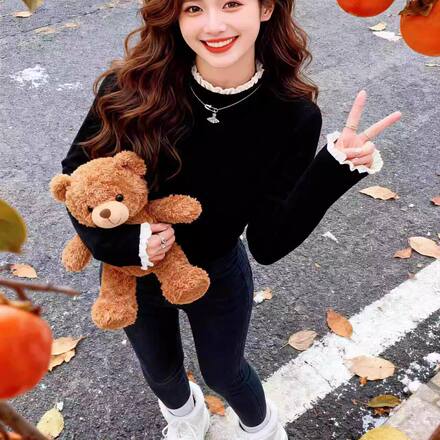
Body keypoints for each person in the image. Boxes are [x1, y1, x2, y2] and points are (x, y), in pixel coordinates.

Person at [59, 0, 402, 437]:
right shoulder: (129, 87)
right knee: (160, 371)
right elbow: (77, 176)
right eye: (194, 8)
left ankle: (262, 429)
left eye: (232, 3)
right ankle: (186, 418)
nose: (214, 25)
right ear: (175, 16)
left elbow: (269, 242)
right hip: (129, 272)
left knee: (224, 372)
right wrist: (125, 246)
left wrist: (333, 168)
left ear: (265, 8)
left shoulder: (292, 115)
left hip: (217, 272)